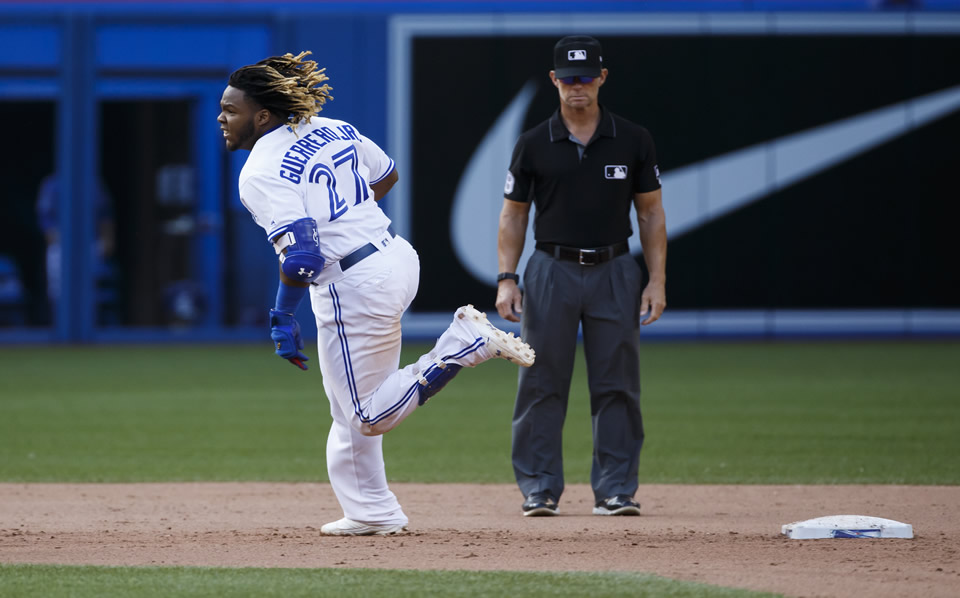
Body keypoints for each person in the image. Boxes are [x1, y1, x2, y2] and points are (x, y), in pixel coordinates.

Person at [218, 51, 535, 536]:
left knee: (367, 415)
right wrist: (349, 221)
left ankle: (462, 346)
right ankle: (372, 511)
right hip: (394, 256)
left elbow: (301, 258)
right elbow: (386, 174)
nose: (222, 117)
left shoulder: (260, 170)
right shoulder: (332, 127)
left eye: (231, 110)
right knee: (347, 407)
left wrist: (282, 315)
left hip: (354, 285)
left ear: (262, 116)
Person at [495, 36, 667, 517]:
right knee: (541, 381)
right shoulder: (532, 143)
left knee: (617, 384)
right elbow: (513, 216)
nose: (577, 87)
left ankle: (615, 490)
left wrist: (656, 280)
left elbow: (651, 214)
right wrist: (507, 277)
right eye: (568, 78)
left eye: (586, 77)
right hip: (551, 269)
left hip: (615, 268)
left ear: (602, 78)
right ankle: (539, 488)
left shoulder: (633, 138)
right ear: (554, 81)